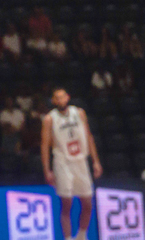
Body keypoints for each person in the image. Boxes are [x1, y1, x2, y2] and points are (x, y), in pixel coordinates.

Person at [41, 86, 101, 240]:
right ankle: (68, 238)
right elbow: (44, 145)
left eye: (62, 96)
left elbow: (88, 136)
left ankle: (81, 236)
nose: (60, 100)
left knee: (88, 203)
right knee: (67, 204)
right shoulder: (49, 119)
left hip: (81, 161)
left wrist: (95, 161)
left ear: (67, 97)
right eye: (57, 97)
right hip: (63, 162)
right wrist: (47, 170)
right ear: (54, 101)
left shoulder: (79, 113)